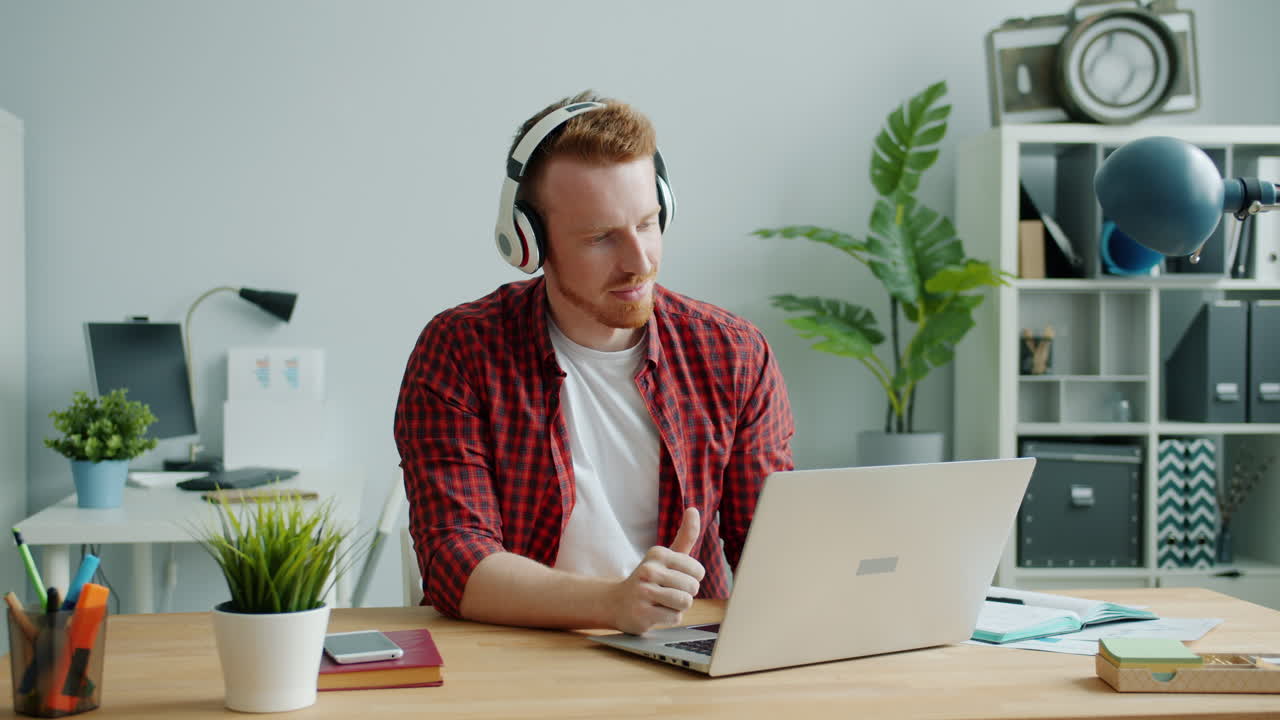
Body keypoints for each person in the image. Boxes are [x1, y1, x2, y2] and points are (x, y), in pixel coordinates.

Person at [394, 90, 794, 634]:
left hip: (680, 652)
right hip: (512, 655)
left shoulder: (733, 354)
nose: (640, 262)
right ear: (529, 244)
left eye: (648, 224)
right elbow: (455, 562)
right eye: (601, 237)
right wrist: (612, 602)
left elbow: (771, 550)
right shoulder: (461, 351)